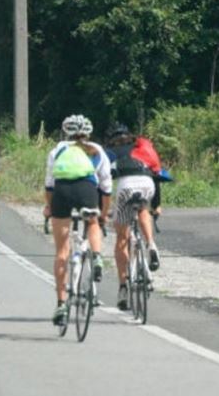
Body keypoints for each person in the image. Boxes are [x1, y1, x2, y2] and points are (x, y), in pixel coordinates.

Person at [43, 115, 112, 326]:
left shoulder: (58, 150)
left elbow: (49, 184)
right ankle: (98, 256)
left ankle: (61, 304)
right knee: (91, 223)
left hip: (63, 192)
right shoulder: (97, 150)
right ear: (88, 133)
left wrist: (49, 207)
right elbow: (106, 187)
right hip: (87, 190)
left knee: (62, 251)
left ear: (66, 132)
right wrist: (103, 215)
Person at [106, 123, 163, 311]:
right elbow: (157, 175)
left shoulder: (111, 152)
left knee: (121, 238)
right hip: (147, 184)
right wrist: (157, 205)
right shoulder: (142, 147)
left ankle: (123, 288)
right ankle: (150, 245)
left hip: (126, 186)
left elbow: (104, 181)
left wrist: (104, 208)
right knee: (143, 210)